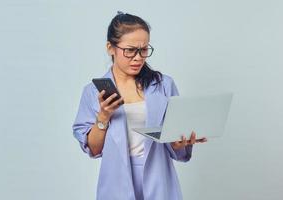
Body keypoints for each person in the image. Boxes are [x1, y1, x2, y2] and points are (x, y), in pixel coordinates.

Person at [72, 12, 207, 200]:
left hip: (158, 177)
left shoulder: (164, 85)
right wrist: (103, 117)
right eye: (130, 50)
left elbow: (176, 145)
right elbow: (94, 150)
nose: (138, 58)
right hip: (116, 181)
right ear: (110, 48)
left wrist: (179, 143)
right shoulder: (94, 92)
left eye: (144, 50)